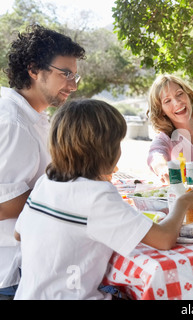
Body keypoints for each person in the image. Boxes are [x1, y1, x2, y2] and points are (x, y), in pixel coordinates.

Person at [13, 99, 193, 300]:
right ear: (106, 151)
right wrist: (182, 203)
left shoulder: (46, 181)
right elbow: (164, 239)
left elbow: (19, 234)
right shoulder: (98, 195)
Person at [0, 24, 85, 300]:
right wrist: (75, 195)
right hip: (13, 272)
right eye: (66, 74)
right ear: (34, 69)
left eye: (75, 75)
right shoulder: (13, 122)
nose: (72, 85)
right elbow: (3, 203)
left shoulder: (33, 115)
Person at [146, 74, 193, 186]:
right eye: (167, 101)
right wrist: (163, 169)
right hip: (189, 201)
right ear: (161, 110)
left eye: (180, 94)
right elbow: (156, 155)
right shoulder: (166, 138)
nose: (177, 102)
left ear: (188, 95)